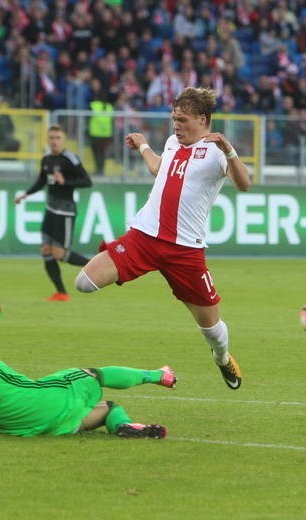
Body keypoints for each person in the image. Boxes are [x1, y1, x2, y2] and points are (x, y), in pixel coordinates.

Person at [74, 87, 251, 390]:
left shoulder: (215, 152)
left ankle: (222, 360)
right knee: (84, 283)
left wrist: (229, 150)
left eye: (182, 120)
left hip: (185, 251)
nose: (175, 126)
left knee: (212, 331)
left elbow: (244, 184)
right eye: (173, 119)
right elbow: (160, 169)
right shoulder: (171, 143)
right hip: (144, 237)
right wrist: (144, 145)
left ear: (202, 119)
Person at [0, 256, 172, 439]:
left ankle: (121, 424)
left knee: (108, 409)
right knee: (90, 375)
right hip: (40, 402)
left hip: (24, 428)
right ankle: (159, 376)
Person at [14, 125, 92, 301]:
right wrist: (25, 194)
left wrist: (65, 181)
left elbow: (86, 181)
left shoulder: (70, 159)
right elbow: (42, 180)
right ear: (47, 140)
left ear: (63, 140)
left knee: (59, 253)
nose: (54, 141)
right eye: (51, 138)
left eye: (58, 138)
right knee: (46, 250)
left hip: (65, 212)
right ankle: (61, 293)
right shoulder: (47, 159)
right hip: (50, 210)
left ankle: (94, 266)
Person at [87, 81, 114, 175]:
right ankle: (101, 170)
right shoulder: (110, 107)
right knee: (102, 153)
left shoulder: (93, 105)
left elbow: (88, 117)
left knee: (96, 153)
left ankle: (98, 170)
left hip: (95, 133)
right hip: (106, 134)